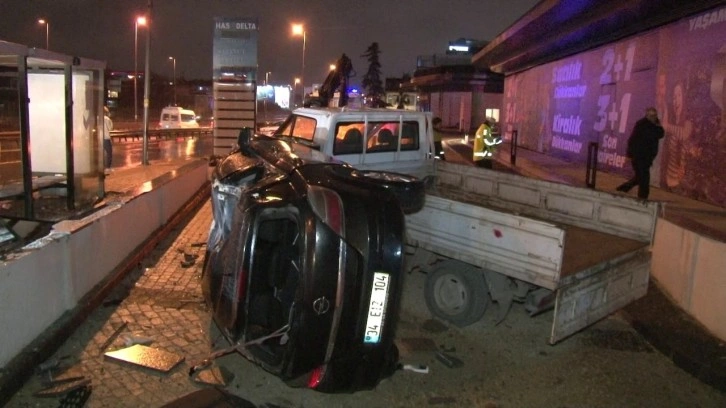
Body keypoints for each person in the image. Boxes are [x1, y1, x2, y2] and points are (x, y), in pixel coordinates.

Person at [616, 107, 665, 200]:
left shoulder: (654, 125)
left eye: (655, 115)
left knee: (639, 177)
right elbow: (632, 140)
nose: (653, 117)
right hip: (639, 156)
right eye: (651, 115)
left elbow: (661, 133)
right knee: (644, 179)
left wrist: (658, 124)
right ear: (647, 115)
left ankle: (623, 188)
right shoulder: (642, 125)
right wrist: (629, 154)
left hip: (647, 157)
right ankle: (642, 198)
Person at [103, 106, 113, 173]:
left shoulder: (97, 118)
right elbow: (110, 128)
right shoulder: (107, 119)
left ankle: (102, 167)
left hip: (99, 138)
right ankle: (107, 168)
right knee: (109, 153)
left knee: (101, 154)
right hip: (106, 138)